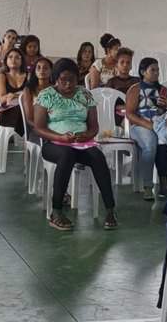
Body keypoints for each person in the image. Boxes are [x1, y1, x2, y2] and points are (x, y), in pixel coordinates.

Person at [33, 58, 118, 231]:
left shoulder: (84, 94)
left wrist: (87, 134)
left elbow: (94, 126)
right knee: (67, 155)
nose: (68, 83)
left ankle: (110, 209)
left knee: (97, 156)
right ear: (56, 78)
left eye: (71, 79)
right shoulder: (46, 95)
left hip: (81, 143)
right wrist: (61, 137)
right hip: (54, 144)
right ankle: (56, 211)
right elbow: (38, 128)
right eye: (63, 79)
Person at [126, 58, 167, 198]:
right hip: (141, 125)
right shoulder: (135, 89)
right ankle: (148, 186)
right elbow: (129, 114)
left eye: (157, 70)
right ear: (143, 72)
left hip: (162, 123)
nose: (156, 73)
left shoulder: (163, 89)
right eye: (152, 70)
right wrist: (148, 125)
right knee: (151, 145)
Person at [0, 48, 28, 136]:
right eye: (10, 57)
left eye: (17, 57)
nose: (13, 59)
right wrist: (23, 94)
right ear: (6, 60)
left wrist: (15, 95)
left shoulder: (29, 76)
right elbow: (2, 99)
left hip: (26, 108)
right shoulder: (2, 76)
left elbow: (33, 92)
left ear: (22, 61)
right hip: (9, 111)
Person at [21, 57, 53, 145]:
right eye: (38, 67)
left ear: (51, 71)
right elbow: (30, 119)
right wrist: (46, 130)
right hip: (36, 129)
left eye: (46, 68)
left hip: (55, 126)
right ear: (35, 71)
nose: (42, 70)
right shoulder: (29, 90)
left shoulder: (55, 89)